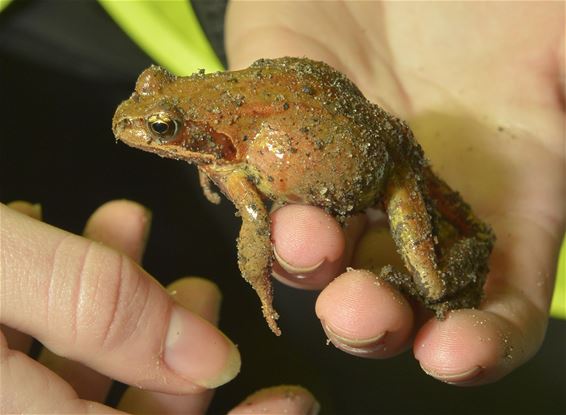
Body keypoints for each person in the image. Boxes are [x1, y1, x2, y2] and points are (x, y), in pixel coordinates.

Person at [1, 1, 564, 413]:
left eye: (163, 129)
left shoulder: (233, 163)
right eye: (154, 107)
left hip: (386, 177)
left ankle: (446, 285)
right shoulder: (220, 140)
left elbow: (254, 232)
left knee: (431, 282)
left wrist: (263, 291)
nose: (138, 127)